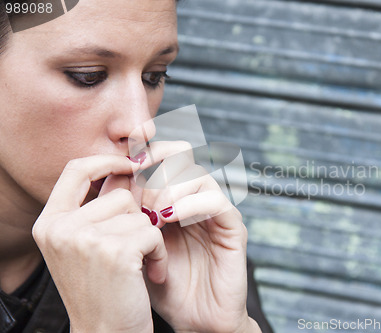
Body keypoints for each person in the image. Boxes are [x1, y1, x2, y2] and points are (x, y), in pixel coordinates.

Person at [0, 0, 273, 332]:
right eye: (88, 76)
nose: (141, 125)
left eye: (154, 75)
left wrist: (218, 329)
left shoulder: (181, 246)